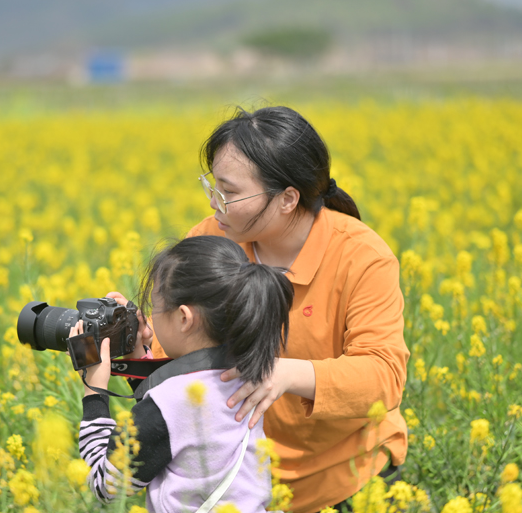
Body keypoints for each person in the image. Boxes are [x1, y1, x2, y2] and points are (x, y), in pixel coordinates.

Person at [112, 106, 410, 512]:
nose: (216, 203)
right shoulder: (210, 236)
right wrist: (141, 352)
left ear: (288, 198)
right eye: (212, 186)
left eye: (230, 193)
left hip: (341, 478)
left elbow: (384, 376)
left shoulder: (362, 257)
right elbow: (185, 366)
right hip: (236, 484)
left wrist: (287, 373)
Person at [75, 235, 295, 513]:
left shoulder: (166, 406)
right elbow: (175, 423)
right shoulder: (249, 375)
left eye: (155, 308)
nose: (151, 318)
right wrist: (139, 360)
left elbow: (106, 485)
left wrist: (93, 388)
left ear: (184, 318)